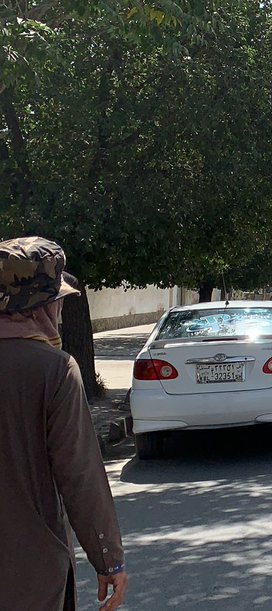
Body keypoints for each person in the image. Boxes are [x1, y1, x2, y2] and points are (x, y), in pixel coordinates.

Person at [0, 237, 128, 610]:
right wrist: (109, 559)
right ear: (41, 305)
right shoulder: (53, 370)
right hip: (30, 572)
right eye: (57, 300)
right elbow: (80, 476)